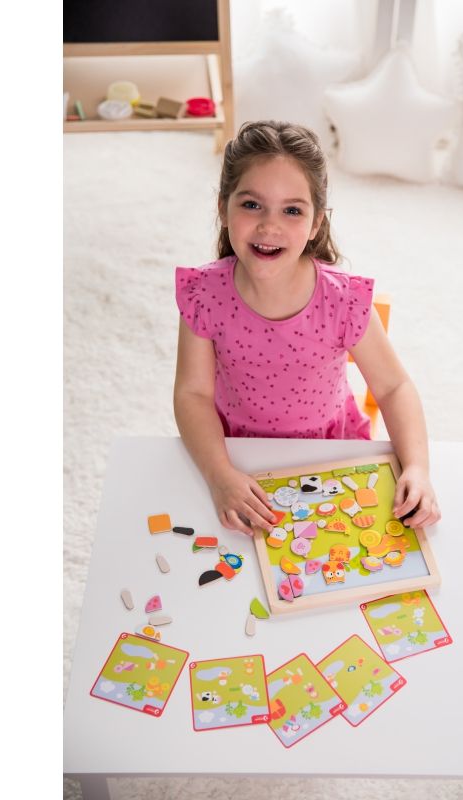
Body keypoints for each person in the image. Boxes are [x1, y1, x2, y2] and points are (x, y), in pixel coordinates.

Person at [174, 120, 440, 537]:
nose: (269, 226)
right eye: (252, 204)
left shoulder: (343, 300)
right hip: (234, 453)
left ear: (316, 223)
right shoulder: (203, 293)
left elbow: (394, 387)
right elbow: (192, 394)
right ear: (223, 208)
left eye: (292, 210)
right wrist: (219, 474)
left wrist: (418, 469)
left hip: (330, 450)